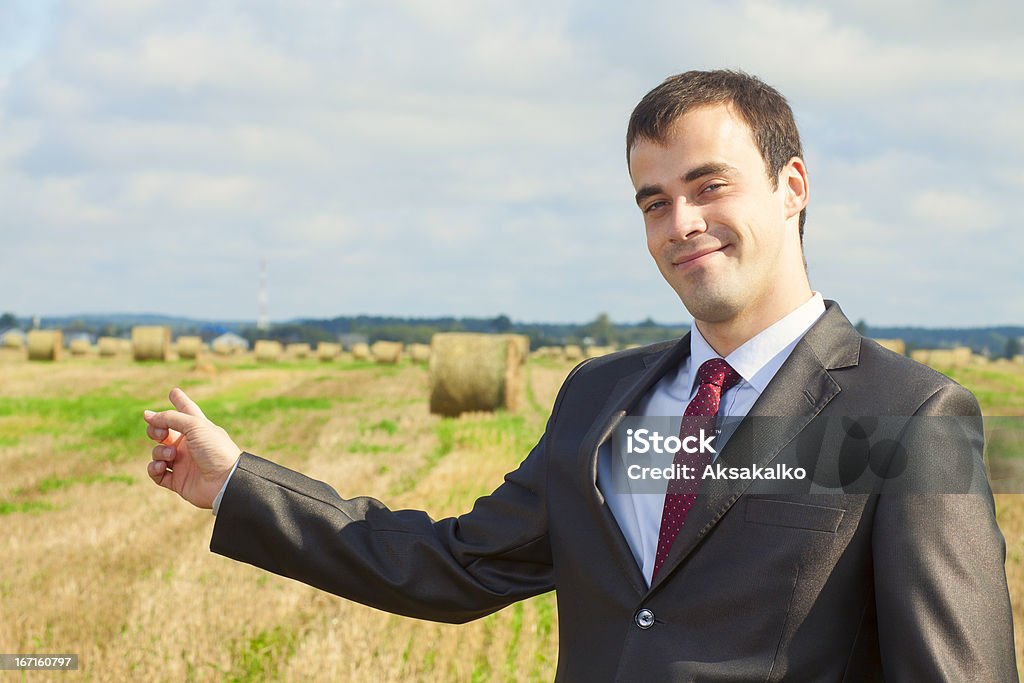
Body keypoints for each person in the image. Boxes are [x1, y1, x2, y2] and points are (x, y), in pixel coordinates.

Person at [144, 70, 1017, 680]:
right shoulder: (606, 402)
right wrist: (236, 485)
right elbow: (456, 564)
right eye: (654, 200)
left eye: (710, 185)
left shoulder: (905, 417)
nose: (682, 222)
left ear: (792, 185)